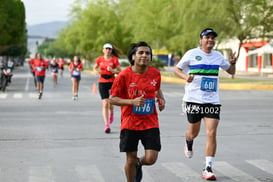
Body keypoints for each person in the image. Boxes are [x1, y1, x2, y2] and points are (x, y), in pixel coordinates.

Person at [173, 28, 236, 180]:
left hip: (212, 101)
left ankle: (208, 167)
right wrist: (185, 77)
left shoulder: (218, 56)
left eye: (213, 38)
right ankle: (188, 141)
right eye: (207, 37)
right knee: (193, 132)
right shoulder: (191, 54)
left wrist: (233, 63)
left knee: (211, 132)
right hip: (193, 100)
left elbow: (231, 72)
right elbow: (177, 69)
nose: (210, 40)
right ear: (201, 40)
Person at [109, 41, 165, 182]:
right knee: (130, 158)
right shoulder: (123, 76)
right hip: (130, 123)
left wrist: (161, 99)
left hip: (150, 122)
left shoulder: (155, 74)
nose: (145, 55)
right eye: (141, 53)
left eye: (147, 53)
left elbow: (157, 89)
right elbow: (112, 99)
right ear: (133, 56)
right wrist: (131, 102)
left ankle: (139, 163)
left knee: (151, 158)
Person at [93, 43, 122, 133]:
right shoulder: (99, 59)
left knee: (110, 102)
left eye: (109, 49)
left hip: (112, 82)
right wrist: (96, 71)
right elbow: (95, 67)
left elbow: (119, 71)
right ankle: (106, 125)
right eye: (106, 49)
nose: (108, 50)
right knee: (105, 103)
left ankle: (111, 113)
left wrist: (113, 70)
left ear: (111, 51)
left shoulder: (114, 59)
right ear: (103, 50)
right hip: (102, 82)